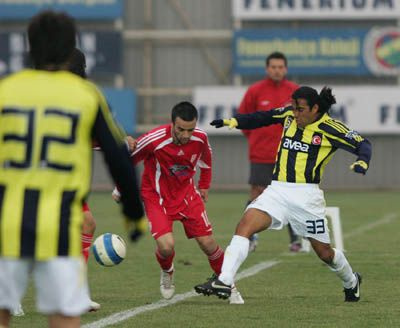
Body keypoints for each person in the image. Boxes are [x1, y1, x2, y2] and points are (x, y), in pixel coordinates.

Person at [0, 10, 143, 328]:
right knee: (65, 316)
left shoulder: (7, 90)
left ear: (31, 49)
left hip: (7, 216)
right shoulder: (85, 95)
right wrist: (133, 213)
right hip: (59, 222)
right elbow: (118, 158)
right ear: (70, 52)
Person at [194, 86, 371, 302]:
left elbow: (363, 144)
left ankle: (351, 281)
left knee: (325, 253)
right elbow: (262, 117)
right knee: (244, 226)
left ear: (315, 108)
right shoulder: (288, 114)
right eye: (294, 108)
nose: (295, 113)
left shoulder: (330, 128)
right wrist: (233, 121)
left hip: (307, 198)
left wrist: (362, 161)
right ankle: (225, 280)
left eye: (300, 109)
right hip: (277, 190)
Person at [112, 101, 243, 304]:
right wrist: (121, 187)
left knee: (208, 243)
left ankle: (228, 283)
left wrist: (204, 185)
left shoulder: (200, 138)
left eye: (190, 130)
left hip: (186, 194)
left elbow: (207, 159)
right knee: (166, 247)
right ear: (172, 124)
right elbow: (130, 160)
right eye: (181, 129)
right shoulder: (154, 139)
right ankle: (168, 271)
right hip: (156, 196)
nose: (185, 135)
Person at [238, 51, 299, 252]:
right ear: (267, 69)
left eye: (280, 67)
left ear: (286, 69)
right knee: (257, 192)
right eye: (273, 67)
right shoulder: (255, 91)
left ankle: (295, 240)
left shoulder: (295, 92)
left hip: (288, 153)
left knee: (291, 194)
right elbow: (244, 120)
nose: (277, 70)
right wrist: (257, 139)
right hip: (261, 153)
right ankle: (250, 237)